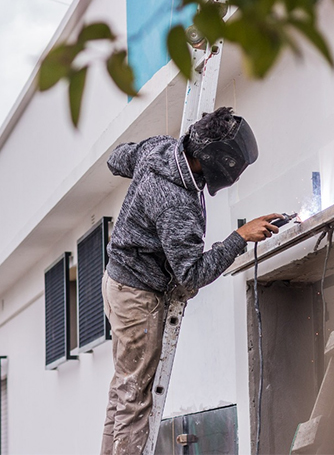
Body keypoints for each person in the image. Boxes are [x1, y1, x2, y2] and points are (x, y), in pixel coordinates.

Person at [100, 107, 283, 455]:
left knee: (124, 389)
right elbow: (190, 276)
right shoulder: (176, 204)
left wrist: (141, 181)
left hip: (117, 281)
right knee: (136, 397)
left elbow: (115, 160)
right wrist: (239, 238)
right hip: (138, 297)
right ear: (217, 162)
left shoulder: (158, 149)